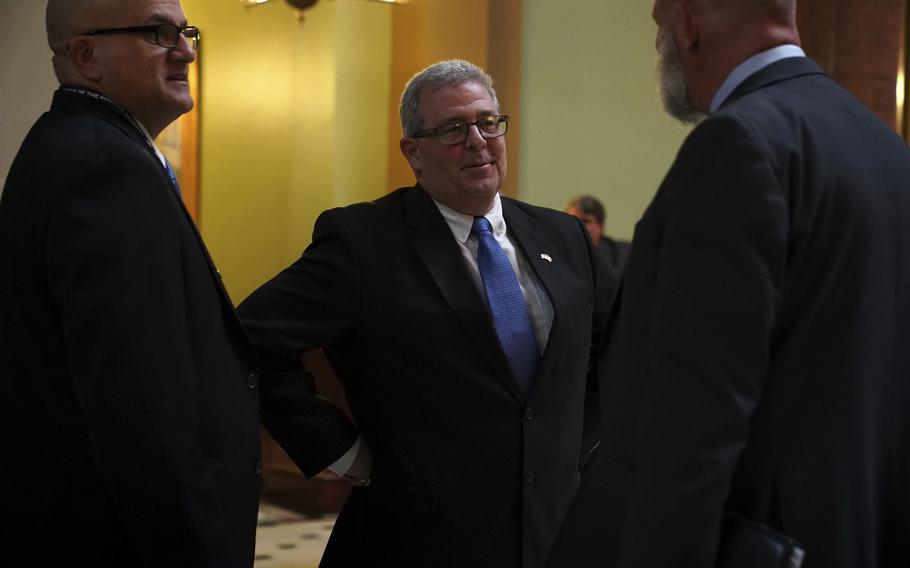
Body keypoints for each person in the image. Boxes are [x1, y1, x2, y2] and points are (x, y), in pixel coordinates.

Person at [550, 1, 910, 567]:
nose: (661, 44)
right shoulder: (885, 147)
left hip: (754, 538)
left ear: (689, 25)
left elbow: (696, 423)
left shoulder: (739, 142)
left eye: (660, 26)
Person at [238, 59, 616, 568]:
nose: (478, 141)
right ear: (413, 152)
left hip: (553, 534)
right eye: (454, 129)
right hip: (419, 537)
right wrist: (339, 449)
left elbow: (615, 347)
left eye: (488, 122)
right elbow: (251, 338)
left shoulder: (565, 237)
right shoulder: (363, 242)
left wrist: (578, 446)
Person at [0, 1, 262, 565]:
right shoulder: (103, 166)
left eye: (185, 32)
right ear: (87, 55)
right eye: (157, 33)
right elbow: (140, 401)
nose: (187, 50)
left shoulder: (83, 146)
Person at [565, 195, 630, 274]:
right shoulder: (557, 254)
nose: (575, 225)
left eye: (584, 221)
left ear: (600, 226)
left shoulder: (623, 256)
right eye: (570, 219)